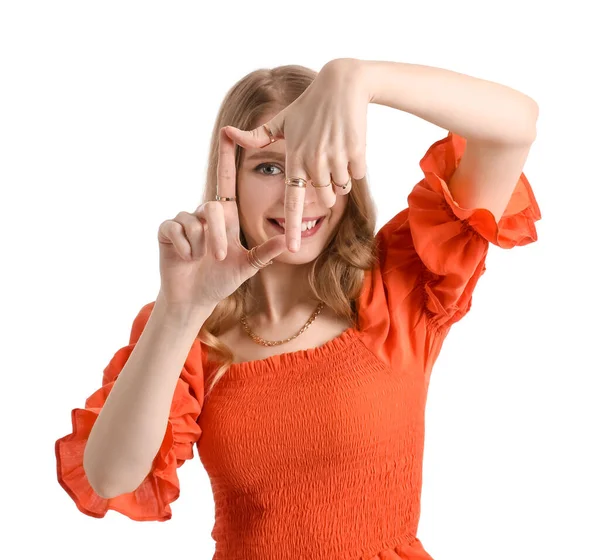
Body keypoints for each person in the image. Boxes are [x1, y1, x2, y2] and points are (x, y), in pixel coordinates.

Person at [55, 61, 541, 559]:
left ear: (347, 173)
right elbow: (111, 475)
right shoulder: (193, 329)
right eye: (270, 167)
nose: (299, 194)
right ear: (230, 181)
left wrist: (359, 79)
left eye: (319, 162)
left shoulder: (399, 285)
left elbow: (515, 126)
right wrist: (182, 309)